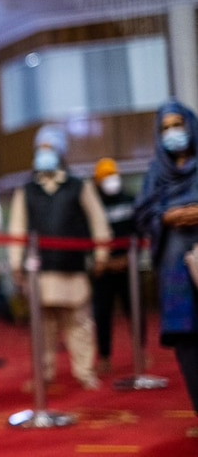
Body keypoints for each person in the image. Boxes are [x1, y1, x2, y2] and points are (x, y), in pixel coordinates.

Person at [7, 124, 111, 391]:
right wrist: (15, 263)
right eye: (40, 149)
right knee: (43, 329)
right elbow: (17, 227)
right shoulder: (26, 190)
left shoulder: (79, 186)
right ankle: (44, 375)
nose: (44, 154)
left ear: (60, 152)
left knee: (80, 324)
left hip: (73, 267)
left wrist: (101, 254)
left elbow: (98, 221)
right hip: (40, 272)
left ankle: (85, 372)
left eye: (49, 148)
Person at [134, 99, 198, 436]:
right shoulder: (156, 173)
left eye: (178, 125)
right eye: (165, 128)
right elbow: (143, 214)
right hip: (175, 272)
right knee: (188, 343)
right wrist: (166, 216)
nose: (173, 133)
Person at [90, 157, 141, 375]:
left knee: (135, 311)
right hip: (103, 269)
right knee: (102, 313)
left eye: (112, 175)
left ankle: (141, 351)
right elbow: (90, 235)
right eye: (105, 177)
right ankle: (104, 357)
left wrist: (128, 258)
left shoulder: (130, 200)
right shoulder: (94, 205)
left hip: (128, 267)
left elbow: (139, 232)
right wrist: (103, 261)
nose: (110, 180)